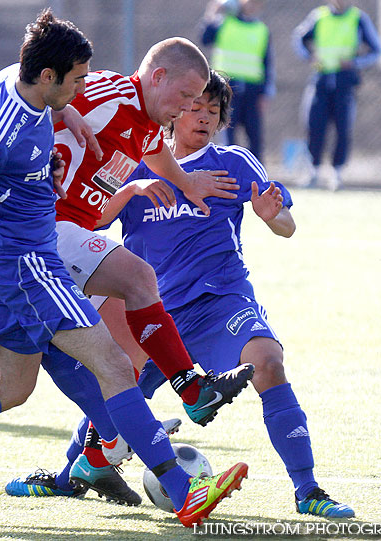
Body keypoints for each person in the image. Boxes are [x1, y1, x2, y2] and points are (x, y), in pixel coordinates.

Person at [0, 11, 248, 529]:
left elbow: (137, 141)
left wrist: (180, 179)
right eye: (76, 80)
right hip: (30, 259)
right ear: (50, 77)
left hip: (28, 254)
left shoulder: (34, 94)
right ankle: (184, 485)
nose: (188, 109)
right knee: (116, 356)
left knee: (14, 386)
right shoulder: (23, 120)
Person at [105, 70, 352, 518]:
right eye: (194, 107)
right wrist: (133, 189)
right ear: (174, 109)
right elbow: (95, 219)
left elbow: (287, 226)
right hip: (152, 314)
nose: (203, 117)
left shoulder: (234, 162)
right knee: (113, 399)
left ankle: (308, 489)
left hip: (220, 302)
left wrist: (268, 216)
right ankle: (73, 472)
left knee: (269, 363)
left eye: (213, 111)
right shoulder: (138, 162)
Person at [51, 37, 255, 452]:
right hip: (44, 229)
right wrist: (61, 109)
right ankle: (190, 394)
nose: (186, 109)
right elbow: (25, 99)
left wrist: (187, 182)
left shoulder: (146, 124)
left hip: (71, 237)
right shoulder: (108, 94)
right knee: (140, 279)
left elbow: (155, 149)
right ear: (157, 76)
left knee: (99, 364)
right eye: (184, 97)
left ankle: (91, 461)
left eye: (199, 102)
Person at [293, 0, 381, 189]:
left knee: (343, 128)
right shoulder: (319, 16)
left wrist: (355, 62)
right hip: (321, 80)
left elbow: (377, 50)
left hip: (345, 82)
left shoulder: (358, 19)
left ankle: (337, 173)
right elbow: (299, 38)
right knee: (314, 126)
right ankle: (313, 171)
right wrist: (310, 57)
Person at [199, 0, 274, 161]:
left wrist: (265, 93)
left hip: (253, 90)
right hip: (226, 87)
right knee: (227, 134)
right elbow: (205, 38)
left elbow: (267, 63)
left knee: (254, 136)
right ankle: (226, 173)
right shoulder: (224, 22)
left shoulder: (262, 30)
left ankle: (256, 174)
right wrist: (212, 12)